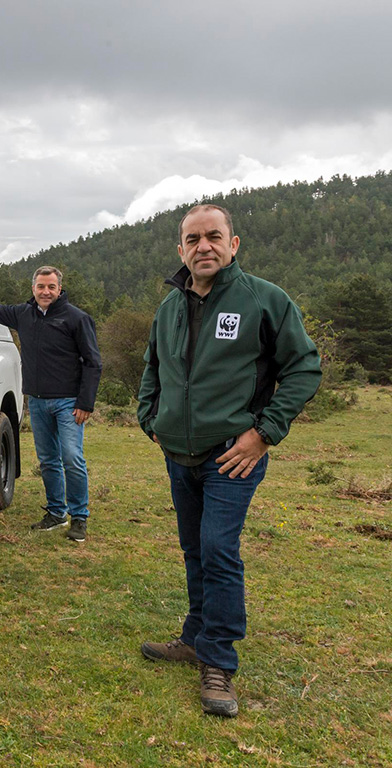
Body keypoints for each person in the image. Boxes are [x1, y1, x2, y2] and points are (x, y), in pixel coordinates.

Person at [137, 204, 321, 718]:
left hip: (232, 457)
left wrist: (264, 433)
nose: (203, 247)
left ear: (233, 244)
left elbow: (305, 367)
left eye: (213, 237)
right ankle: (195, 637)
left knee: (218, 550)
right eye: (192, 239)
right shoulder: (168, 307)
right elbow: (152, 366)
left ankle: (218, 661)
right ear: (181, 249)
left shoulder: (264, 300)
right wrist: (150, 416)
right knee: (195, 550)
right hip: (178, 453)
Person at [0, 265, 102, 542]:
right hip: (37, 402)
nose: (46, 291)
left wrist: (85, 402)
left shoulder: (77, 319)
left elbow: (93, 362)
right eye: (41, 286)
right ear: (33, 288)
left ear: (60, 289)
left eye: (51, 287)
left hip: (68, 403)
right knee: (48, 461)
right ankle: (55, 513)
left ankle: (80, 517)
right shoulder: (23, 315)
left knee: (72, 458)